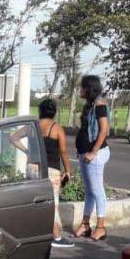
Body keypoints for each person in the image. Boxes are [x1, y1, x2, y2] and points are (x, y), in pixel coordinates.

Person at [74, 75, 110, 241]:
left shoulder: (99, 104)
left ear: (89, 88)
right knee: (89, 192)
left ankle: (101, 226)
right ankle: (85, 224)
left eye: (82, 87)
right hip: (85, 153)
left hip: (95, 154)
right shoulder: (89, 105)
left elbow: (104, 129)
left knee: (97, 191)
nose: (80, 90)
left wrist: (93, 152)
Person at [38, 98, 73, 248]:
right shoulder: (56, 128)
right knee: (53, 204)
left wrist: (26, 150)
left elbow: (14, 137)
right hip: (51, 169)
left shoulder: (34, 126)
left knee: (37, 201)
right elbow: (63, 152)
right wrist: (68, 170)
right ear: (54, 112)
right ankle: (56, 237)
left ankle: (39, 234)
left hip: (34, 168)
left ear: (40, 111)